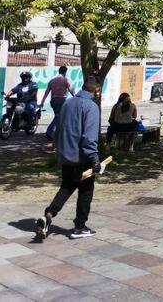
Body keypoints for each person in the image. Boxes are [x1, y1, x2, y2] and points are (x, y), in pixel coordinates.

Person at [36, 77, 102, 240]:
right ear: (96, 91)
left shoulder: (67, 103)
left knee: (67, 186)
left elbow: (58, 129)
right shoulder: (91, 107)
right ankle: (79, 227)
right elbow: (89, 137)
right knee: (86, 191)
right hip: (82, 157)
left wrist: (59, 149)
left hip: (66, 155)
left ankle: (49, 214)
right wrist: (95, 159)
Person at [40, 66, 75, 143]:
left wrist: (42, 102)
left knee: (58, 116)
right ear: (65, 72)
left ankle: (57, 134)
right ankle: (50, 131)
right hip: (61, 100)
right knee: (59, 117)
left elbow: (46, 92)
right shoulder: (65, 80)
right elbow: (71, 90)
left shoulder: (52, 80)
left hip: (53, 101)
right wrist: (76, 98)